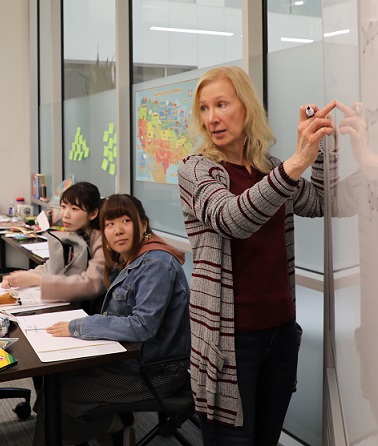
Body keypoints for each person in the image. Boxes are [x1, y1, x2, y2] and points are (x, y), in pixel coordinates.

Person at [177, 65, 337, 446]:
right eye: (204, 108)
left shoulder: (268, 167)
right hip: (229, 340)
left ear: (246, 108)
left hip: (280, 333)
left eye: (221, 104)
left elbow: (322, 202)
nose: (212, 117)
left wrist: (321, 147)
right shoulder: (196, 169)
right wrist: (296, 162)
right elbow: (231, 219)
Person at [32, 193, 191, 446]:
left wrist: (79, 327)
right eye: (110, 224)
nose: (118, 230)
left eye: (126, 221)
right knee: (55, 387)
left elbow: (142, 326)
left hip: (153, 374)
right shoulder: (133, 258)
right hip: (128, 361)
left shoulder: (156, 264)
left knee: (57, 398)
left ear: (144, 224)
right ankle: (109, 426)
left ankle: (116, 424)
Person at [1, 181, 106, 303]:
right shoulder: (75, 233)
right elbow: (52, 267)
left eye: (74, 209)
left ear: (93, 214)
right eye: (63, 207)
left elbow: (91, 285)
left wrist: (37, 280)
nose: (65, 215)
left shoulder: (102, 241)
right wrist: (18, 278)